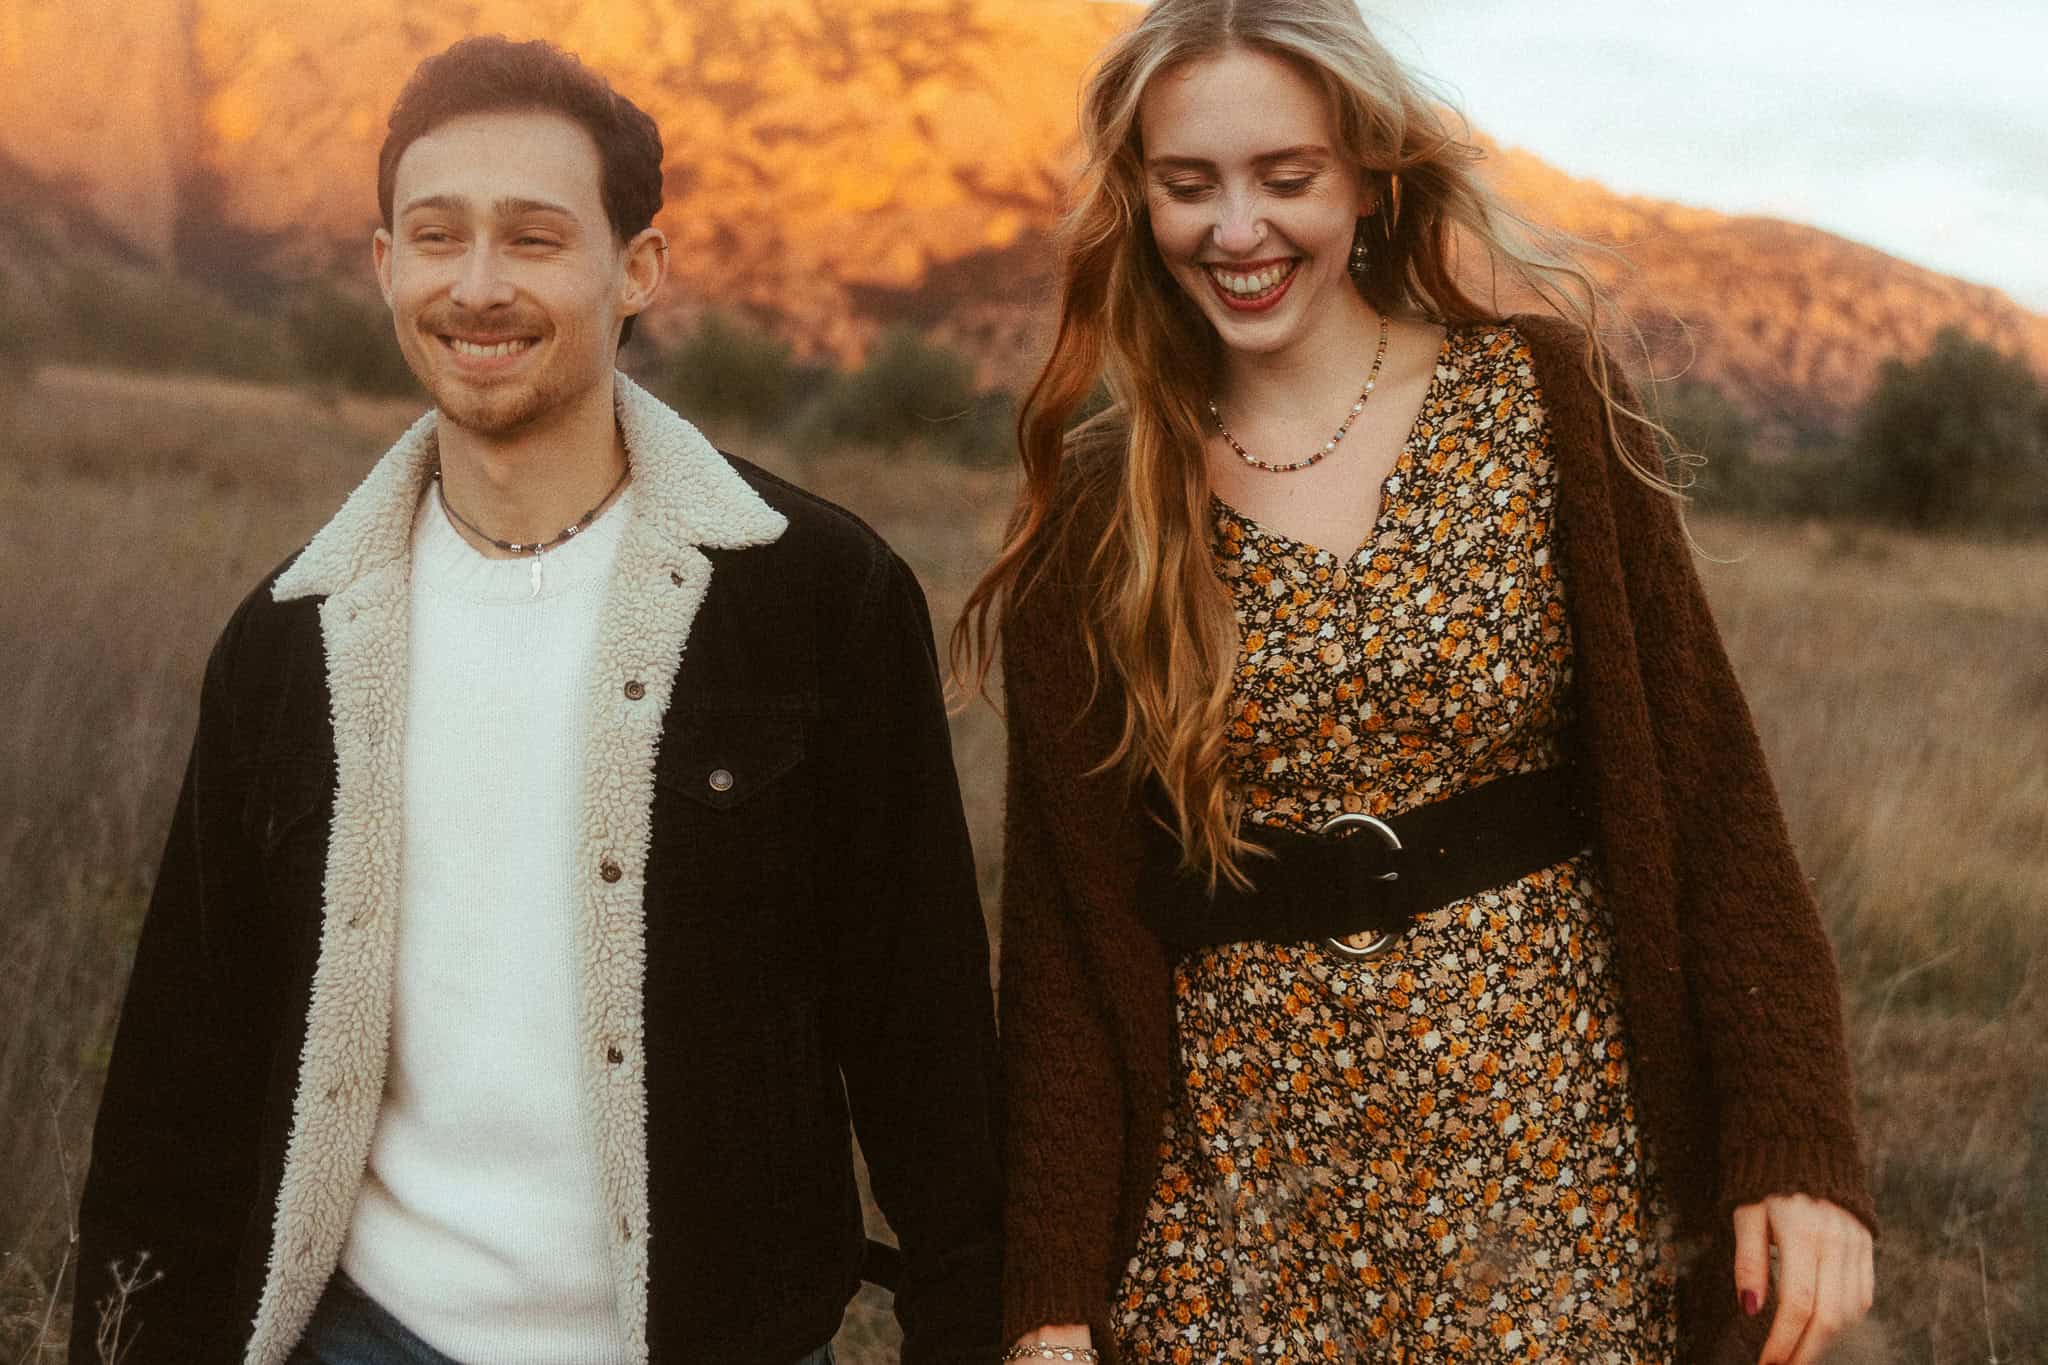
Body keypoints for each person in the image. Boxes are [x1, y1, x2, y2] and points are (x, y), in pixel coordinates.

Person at [958, 2, 1875, 1363]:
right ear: (1138, 199)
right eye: (1189, 184)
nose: (1238, 229)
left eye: (1288, 176)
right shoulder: (1106, 505)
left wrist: (1797, 1141)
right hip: (1238, 1200)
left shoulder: (1543, 400)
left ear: (1372, 177)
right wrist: (1044, 1301)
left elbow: (1712, 795)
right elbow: (1065, 940)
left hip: (1549, 1158)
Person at [72, 35, 1001, 1365]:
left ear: (639, 269)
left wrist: (972, 1323)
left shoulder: (816, 599)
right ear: (385, 265)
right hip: (362, 1337)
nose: (480, 285)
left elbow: (923, 1036)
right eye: (436, 236)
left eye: (535, 236)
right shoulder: (286, 644)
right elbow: (181, 1080)